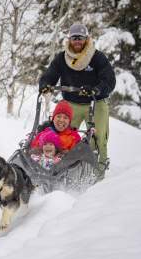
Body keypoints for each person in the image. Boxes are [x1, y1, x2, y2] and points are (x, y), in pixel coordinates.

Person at [39, 23, 116, 180]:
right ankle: (60, 170)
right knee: (62, 135)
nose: (77, 41)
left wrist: (96, 89)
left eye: (80, 38)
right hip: (72, 104)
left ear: (86, 39)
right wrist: (45, 85)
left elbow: (109, 79)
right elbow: (50, 74)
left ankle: (98, 173)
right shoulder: (62, 58)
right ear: (69, 40)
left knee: (98, 137)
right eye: (74, 38)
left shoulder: (96, 57)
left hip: (96, 102)